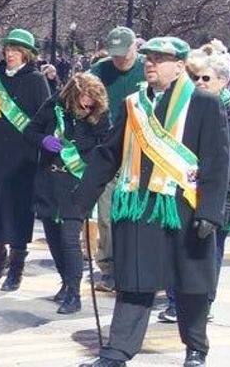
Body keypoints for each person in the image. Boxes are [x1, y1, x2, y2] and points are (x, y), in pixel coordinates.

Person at [75, 37, 229, 367]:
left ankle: (196, 349)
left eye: (160, 58)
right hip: (139, 206)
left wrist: (210, 211)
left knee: (190, 286)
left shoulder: (203, 103)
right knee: (133, 282)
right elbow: (108, 154)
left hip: (184, 208)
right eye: (148, 57)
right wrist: (81, 198)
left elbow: (217, 162)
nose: (150, 63)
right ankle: (116, 352)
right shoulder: (134, 104)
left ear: (179, 65)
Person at [157, 48, 230, 324]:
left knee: (207, 256)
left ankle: (202, 304)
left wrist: (228, 196)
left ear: (223, 81)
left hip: (217, 200)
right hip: (183, 196)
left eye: (205, 78)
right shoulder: (186, 108)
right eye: (195, 78)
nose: (199, 83)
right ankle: (176, 301)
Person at [23, 73, 110, 314]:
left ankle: (74, 293)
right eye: (83, 103)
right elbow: (29, 131)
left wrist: (88, 166)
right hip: (49, 179)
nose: (86, 108)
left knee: (70, 239)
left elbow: (105, 148)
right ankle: (65, 282)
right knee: (53, 237)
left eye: (91, 105)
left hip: (76, 182)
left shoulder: (100, 116)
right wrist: (44, 140)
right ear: (73, 95)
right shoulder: (53, 106)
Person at [0, 29, 50, 291]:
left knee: (16, 213)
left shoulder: (36, 80)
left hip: (22, 157)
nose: (11, 54)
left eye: (16, 50)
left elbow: (44, 119)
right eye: (8, 50)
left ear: (26, 53)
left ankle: (16, 268)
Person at [88, 26, 146, 292]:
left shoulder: (148, 69)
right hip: (110, 151)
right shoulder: (99, 70)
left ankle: (138, 264)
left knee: (139, 213)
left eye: (124, 54)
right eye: (115, 55)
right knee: (107, 214)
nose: (119, 60)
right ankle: (109, 267)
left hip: (144, 152)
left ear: (136, 48)